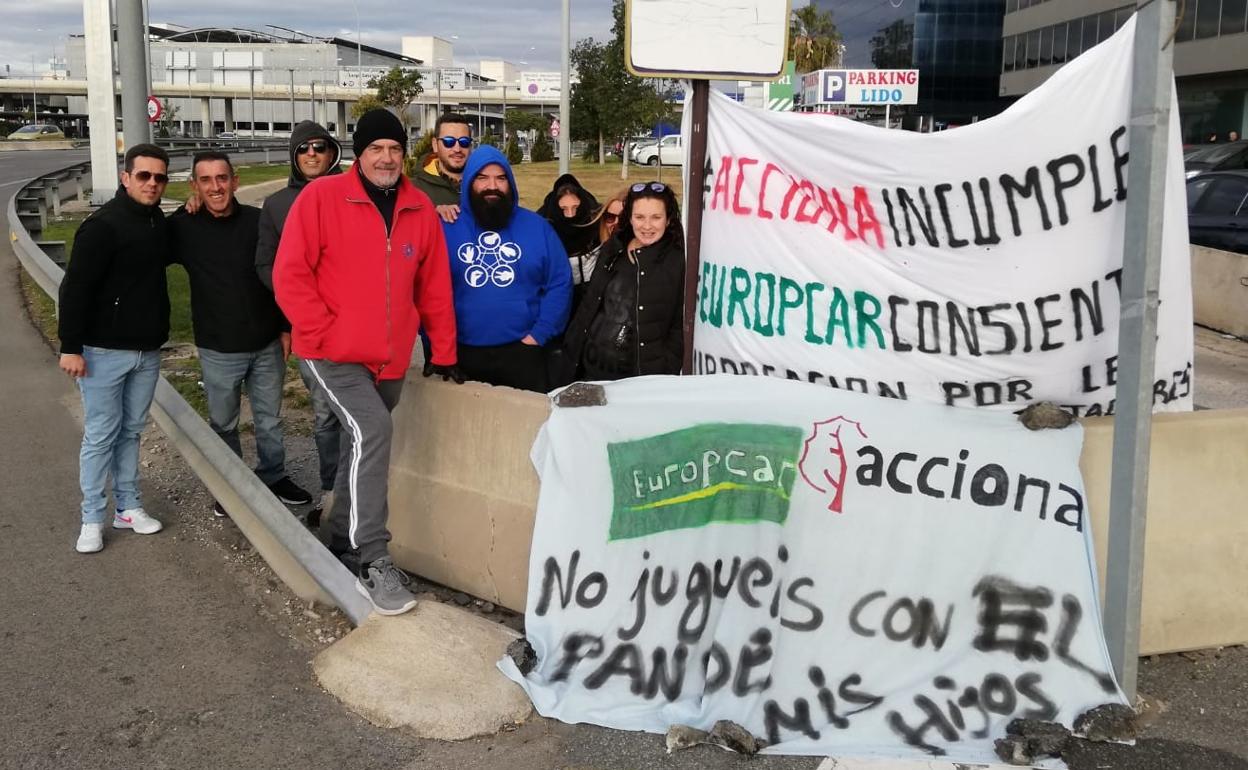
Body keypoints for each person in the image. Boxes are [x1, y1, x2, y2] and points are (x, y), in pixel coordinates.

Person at [275, 108, 461, 616]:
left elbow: (434, 288)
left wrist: (443, 351)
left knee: (362, 443)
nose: (386, 158)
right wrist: (321, 333)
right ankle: (371, 559)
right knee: (373, 431)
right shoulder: (321, 198)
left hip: (390, 358)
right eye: (376, 148)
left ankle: (336, 539)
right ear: (360, 153)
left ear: (405, 155)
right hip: (330, 353)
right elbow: (290, 273)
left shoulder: (419, 208)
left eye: (395, 149)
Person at [171, 151, 312, 517]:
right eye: (206, 181)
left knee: (269, 419)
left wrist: (285, 327)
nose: (215, 187)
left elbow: (279, 276)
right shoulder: (182, 227)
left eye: (222, 178)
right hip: (218, 347)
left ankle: (273, 476)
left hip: (266, 342)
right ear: (194, 186)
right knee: (223, 423)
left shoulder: (257, 221)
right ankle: (230, 484)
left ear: (236, 181)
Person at [58, 143, 172, 553]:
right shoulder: (101, 227)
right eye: (144, 175)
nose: (152, 183)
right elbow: (75, 290)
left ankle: (128, 508)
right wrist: (70, 347)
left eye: (159, 177)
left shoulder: (156, 221)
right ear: (126, 178)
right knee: (102, 434)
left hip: (146, 352)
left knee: (132, 432)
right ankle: (91, 517)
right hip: (101, 353)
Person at [255, 120, 343, 526]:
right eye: (303, 148)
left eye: (320, 147)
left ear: (332, 153)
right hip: (311, 329)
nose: (312, 154)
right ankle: (331, 493)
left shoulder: (354, 193)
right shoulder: (276, 205)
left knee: (367, 415)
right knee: (326, 413)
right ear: (294, 155)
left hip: (358, 325)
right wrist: (297, 308)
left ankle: (361, 490)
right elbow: (266, 264)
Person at [440, 145, 573, 392]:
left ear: (510, 183)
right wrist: (436, 345)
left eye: (500, 178)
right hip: (460, 353)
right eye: (482, 178)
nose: (492, 186)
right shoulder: (446, 226)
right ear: (469, 181)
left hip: (524, 353)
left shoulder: (537, 227)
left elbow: (559, 283)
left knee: (526, 427)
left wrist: (538, 336)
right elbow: (423, 289)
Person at [559, 181, 686, 383]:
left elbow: (679, 325)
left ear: (668, 219)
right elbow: (589, 304)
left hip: (638, 380)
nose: (647, 225)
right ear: (630, 218)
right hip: (589, 371)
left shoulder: (677, 261)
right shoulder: (613, 248)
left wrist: (666, 369)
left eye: (656, 217)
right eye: (639, 217)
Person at [537, 173, 601, 289]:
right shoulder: (543, 227)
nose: (571, 215)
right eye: (564, 209)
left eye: (575, 207)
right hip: (559, 289)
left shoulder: (596, 222)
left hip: (592, 289)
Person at [411, 112, 474, 223]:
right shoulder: (414, 189)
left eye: (464, 142)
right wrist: (432, 214)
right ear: (435, 144)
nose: (457, 149)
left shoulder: (484, 183)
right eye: (449, 142)